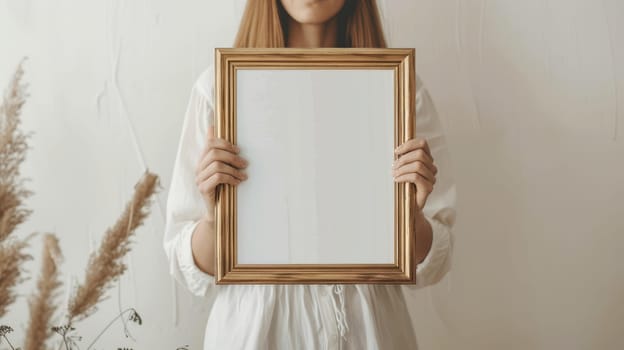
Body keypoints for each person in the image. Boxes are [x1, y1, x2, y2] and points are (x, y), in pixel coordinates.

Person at [163, 0, 457, 349]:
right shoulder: (218, 90)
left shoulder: (401, 90)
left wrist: (409, 217)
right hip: (257, 333)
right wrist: (215, 219)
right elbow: (186, 265)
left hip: (369, 331)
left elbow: (435, 260)